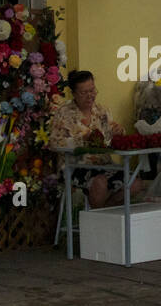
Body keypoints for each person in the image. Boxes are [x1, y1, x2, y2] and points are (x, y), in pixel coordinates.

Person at [49, 70, 144, 209]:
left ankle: (103, 214)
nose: (90, 96)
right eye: (84, 93)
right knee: (100, 182)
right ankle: (100, 221)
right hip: (74, 167)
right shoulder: (64, 113)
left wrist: (119, 131)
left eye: (92, 90)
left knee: (135, 183)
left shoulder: (102, 111)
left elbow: (111, 134)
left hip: (103, 165)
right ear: (74, 94)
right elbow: (55, 143)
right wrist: (82, 140)